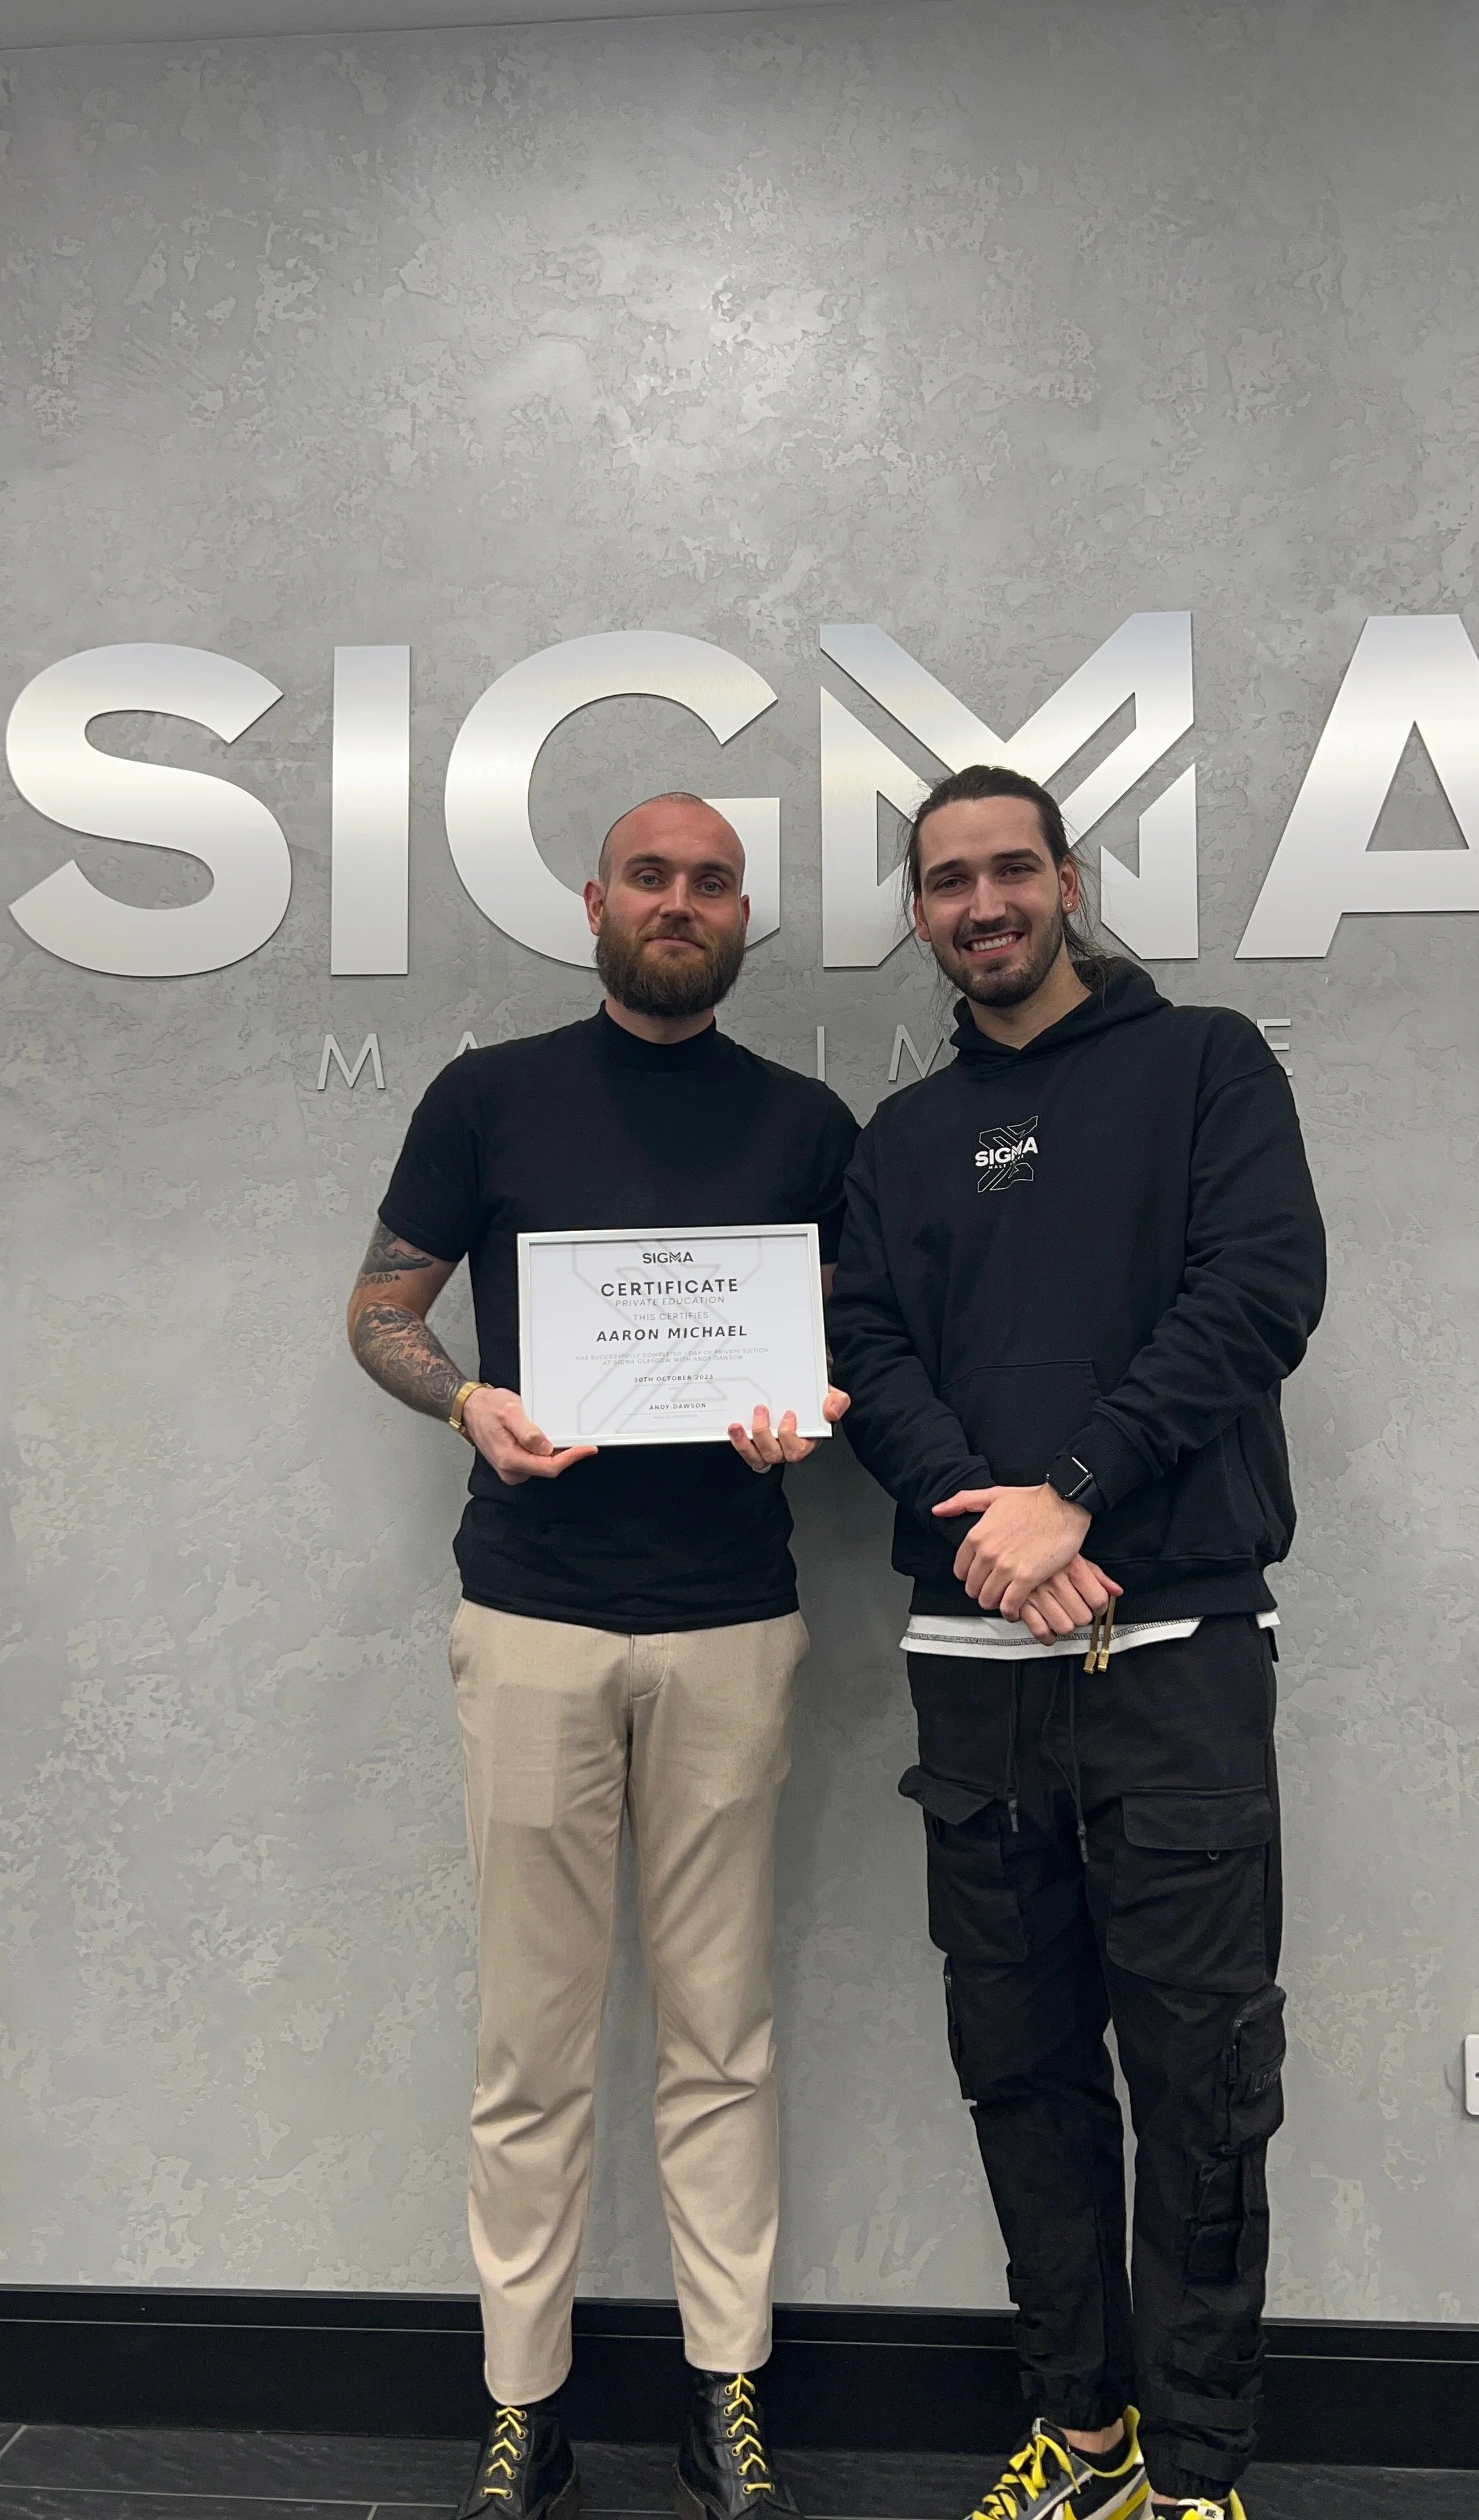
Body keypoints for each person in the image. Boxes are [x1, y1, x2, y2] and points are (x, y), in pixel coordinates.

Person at [347, 793, 857, 2520]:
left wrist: (815, 1414)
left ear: (741, 914)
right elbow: (384, 1312)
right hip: (532, 1622)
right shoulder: (486, 1097)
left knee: (723, 2033)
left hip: (731, 1624)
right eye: (651, 876)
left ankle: (728, 2393)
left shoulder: (807, 1125)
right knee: (530, 2046)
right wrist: (467, 1405)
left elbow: (855, 1342)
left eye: (711, 882)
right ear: (594, 901)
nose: (679, 902)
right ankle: (523, 2405)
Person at [828, 765, 1326, 2520]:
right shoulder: (898, 1141)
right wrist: (994, 1523)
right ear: (918, 915)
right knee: (1019, 2071)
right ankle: (1084, 2441)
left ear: (1068, 881)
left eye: (1010, 870)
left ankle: (1195, 2474)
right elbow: (866, 1353)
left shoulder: (1206, 1068)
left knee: (1202, 2080)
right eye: (947, 881)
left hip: (1177, 1657)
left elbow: (1258, 1292)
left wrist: (1077, 1492)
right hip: (975, 1682)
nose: (984, 905)